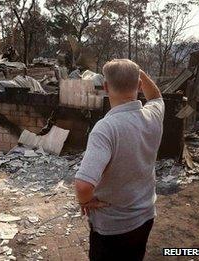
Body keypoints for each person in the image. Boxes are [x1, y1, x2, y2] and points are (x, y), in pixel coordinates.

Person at [74, 59, 164, 261]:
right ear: (139, 85)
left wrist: (86, 201)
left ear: (106, 87)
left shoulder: (106, 128)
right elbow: (156, 96)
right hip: (146, 216)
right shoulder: (154, 115)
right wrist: (136, 72)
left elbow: (82, 186)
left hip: (112, 227)